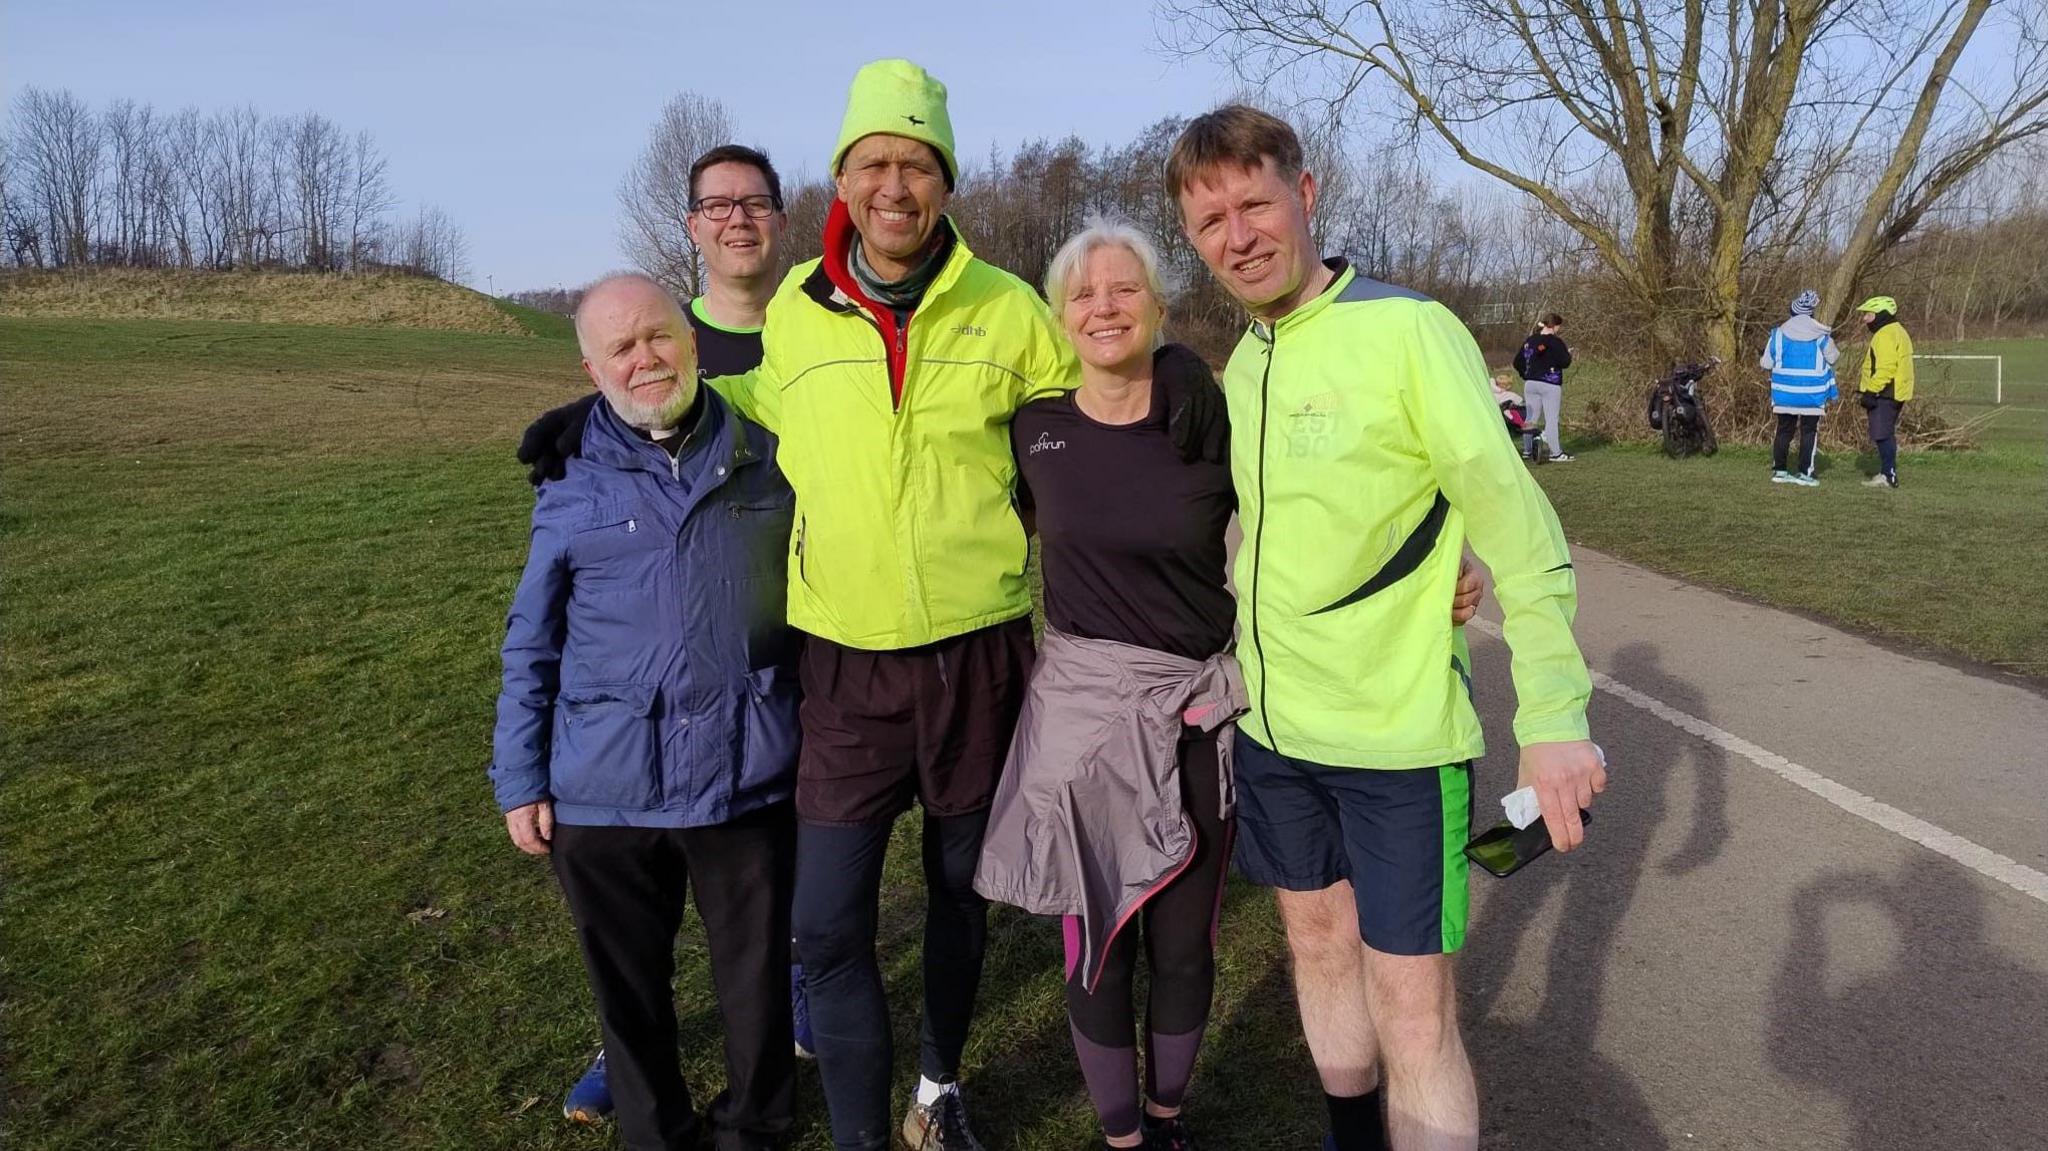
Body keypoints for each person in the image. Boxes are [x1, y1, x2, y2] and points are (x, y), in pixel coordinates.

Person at [975, 219, 1483, 1151]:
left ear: (1160, 305)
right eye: (1083, 294)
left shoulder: (1207, 416)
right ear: (1058, 316)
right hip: (1083, 724)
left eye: (1124, 289)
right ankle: (1121, 1136)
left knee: (1182, 941)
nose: (1104, 307)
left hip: (1197, 714)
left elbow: (1324, 510)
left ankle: (1167, 1122)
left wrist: (1450, 564)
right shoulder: (1032, 430)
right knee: (1095, 941)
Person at [1168, 106, 1606, 1151]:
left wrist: (1552, 712)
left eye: (1254, 204)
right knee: (1318, 953)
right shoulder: (1243, 360)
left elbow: (1520, 525)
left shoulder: (1409, 328)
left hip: (1399, 747)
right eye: (1209, 219)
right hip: (1275, 735)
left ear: (1305, 194)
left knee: (1414, 1008)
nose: (1237, 235)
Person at [516, 146, 815, 1126]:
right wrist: (519, 776)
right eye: (620, 348)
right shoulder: (569, 471)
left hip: (744, 764)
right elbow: (532, 636)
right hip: (607, 776)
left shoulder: (765, 448)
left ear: (685, 334)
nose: (645, 356)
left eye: (657, 336)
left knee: (754, 982)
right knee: (629, 985)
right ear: (592, 368)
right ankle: (650, 1120)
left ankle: (757, 1121)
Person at [1759, 289, 1839, 487]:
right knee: (1809, 431)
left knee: (1784, 431)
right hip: (1813, 394)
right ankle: (1805, 473)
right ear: (1811, 314)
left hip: (1784, 393)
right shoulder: (1821, 336)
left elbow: (1765, 364)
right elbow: (1834, 357)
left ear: (1792, 313)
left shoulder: (1777, 335)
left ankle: (1780, 470)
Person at [1854, 295, 1914, 489]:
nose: (1864, 319)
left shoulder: (1884, 335)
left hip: (1884, 393)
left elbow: (1886, 367)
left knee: (1882, 434)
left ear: (1880, 314)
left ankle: (1888, 475)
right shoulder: (1899, 331)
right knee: (1886, 433)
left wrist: (1871, 391)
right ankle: (1887, 472)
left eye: (1868, 314)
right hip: (1896, 391)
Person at [1511, 313, 1573, 462]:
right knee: (1551, 419)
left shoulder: (1530, 340)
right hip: (1550, 383)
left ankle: (1526, 450)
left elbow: (1517, 361)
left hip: (1531, 383)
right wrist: (1569, 355)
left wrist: (1525, 374)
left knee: (1530, 418)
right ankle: (1555, 453)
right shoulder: (1555, 342)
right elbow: (1565, 362)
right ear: (1556, 326)